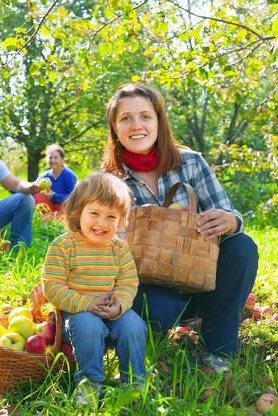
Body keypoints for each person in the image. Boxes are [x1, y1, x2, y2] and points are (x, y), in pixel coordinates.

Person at [101, 83, 259, 373]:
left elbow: (230, 213)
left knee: (242, 247)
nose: (137, 125)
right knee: (158, 308)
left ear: (159, 121)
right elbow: (96, 245)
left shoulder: (190, 163)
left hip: (199, 281)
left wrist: (230, 220)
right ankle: (153, 343)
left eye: (145, 116)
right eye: (126, 118)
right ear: (115, 127)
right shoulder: (108, 183)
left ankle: (218, 349)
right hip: (150, 291)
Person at [41, 173, 147, 405]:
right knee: (87, 324)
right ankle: (89, 384)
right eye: (95, 213)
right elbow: (52, 286)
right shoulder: (63, 246)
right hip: (77, 315)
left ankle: (134, 384)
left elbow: (128, 282)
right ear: (79, 212)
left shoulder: (119, 249)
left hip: (112, 312)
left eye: (111, 217)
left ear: (121, 221)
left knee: (134, 325)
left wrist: (119, 304)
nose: (102, 223)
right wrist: (86, 304)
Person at [33, 143, 78, 218]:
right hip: (49, 206)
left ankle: (55, 217)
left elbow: (74, 198)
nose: (52, 160)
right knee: (37, 194)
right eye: (50, 158)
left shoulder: (69, 176)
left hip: (64, 207)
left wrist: (54, 196)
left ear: (62, 160)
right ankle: (46, 216)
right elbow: (34, 191)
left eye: (56, 157)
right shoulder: (44, 176)